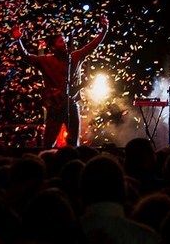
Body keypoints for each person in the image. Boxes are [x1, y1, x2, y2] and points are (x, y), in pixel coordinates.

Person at [13, 15, 109, 148]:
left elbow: (92, 46)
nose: (63, 43)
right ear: (52, 47)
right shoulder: (46, 61)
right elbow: (26, 56)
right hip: (55, 108)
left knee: (73, 144)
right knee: (48, 143)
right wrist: (18, 40)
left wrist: (104, 30)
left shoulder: (74, 57)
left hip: (72, 105)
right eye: (59, 41)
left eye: (63, 40)